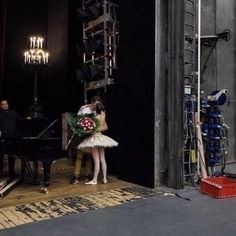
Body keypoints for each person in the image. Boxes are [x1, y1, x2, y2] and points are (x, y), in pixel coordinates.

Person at [77, 101, 118, 185]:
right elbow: (105, 127)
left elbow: (91, 128)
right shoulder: (103, 115)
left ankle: (95, 180)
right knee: (103, 159)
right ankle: (104, 178)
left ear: (95, 108)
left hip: (94, 138)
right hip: (101, 138)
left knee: (96, 160)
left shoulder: (94, 118)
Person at [70, 96, 103, 184]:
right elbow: (78, 121)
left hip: (91, 136)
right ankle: (75, 176)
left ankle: (88, 175)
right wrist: (83, 127)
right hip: (82, 135)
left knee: (89, 156)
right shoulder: (84, 109)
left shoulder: (98, 110)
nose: (97, 105)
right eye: (96, 103)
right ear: (92, 102)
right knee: (79, 155)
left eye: (98, 104)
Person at [0, 100, 21, 178]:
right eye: (3, 104)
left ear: (8, 105)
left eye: (6, 104)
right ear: (1, 106)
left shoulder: (13, 113)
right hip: (3, 138)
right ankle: (1, 171)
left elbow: (20, 121)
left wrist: (27, 118)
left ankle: (12, 172)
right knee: (1, 155)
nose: (5, 105)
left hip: (12, 138)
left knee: (11, 155)